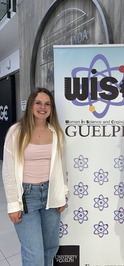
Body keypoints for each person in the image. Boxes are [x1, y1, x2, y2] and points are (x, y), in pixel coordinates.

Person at [2, 88, 68, 266]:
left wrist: (62, 194)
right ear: (31, 105)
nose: (42, 107)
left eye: (47, 104)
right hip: (27, 197)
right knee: (34, 255)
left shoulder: (56, 133)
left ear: (51, 108)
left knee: (50, 248)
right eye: (38, 103)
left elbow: (61, 166)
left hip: (51, 195)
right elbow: (8, 171)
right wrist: (13, 204)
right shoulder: (16, 132)